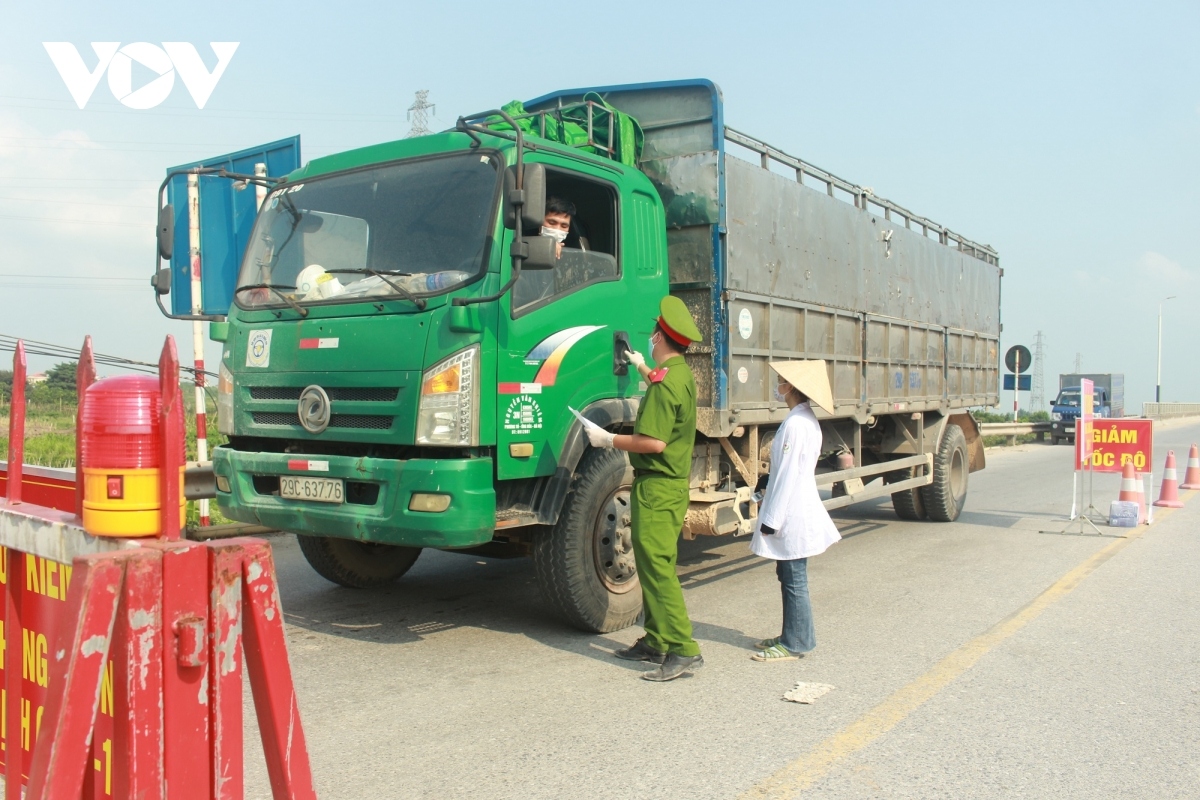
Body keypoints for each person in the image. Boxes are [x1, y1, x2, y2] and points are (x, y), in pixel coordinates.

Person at [582, 296, 704, 682]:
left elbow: (653, 443)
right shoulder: (677, 374)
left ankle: (684, 649)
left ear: (661, 336)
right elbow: (661, 381)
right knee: (653, 569)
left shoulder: (667, 386)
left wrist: (608, 440)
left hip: (659, 487)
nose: (650, 337)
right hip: (665, 487)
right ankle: (656, 640)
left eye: (654, 333)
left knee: (658, 569)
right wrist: (642, 367)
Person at [749, 360, 841, 662]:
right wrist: (765, 484)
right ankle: (795, 634)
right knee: (788, 574)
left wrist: (770, 521)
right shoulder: (803, 419)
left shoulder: (796, 424)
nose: (778, 385)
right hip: (794, 505)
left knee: (793, 577)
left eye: (781, 381)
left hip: (792, 512)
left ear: (792, 388)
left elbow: (788, 475)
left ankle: (796, 643)